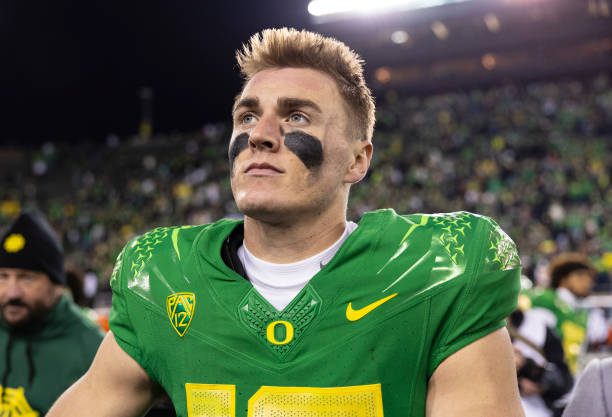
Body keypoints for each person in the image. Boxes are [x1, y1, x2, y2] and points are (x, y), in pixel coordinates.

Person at [48, 28, 524, 417]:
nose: (260, 135)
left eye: (296, 117)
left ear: (357, 161)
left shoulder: (438, 268)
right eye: (247, 117)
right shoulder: (162, 275)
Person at [0, 212, 104, 415]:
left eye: (26, 278)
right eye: (3, 276)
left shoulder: (94, 350)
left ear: (57, 285)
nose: (11, 292)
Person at [522, 252, 605, 374]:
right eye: (580, 276)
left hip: (568, 381)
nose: (587, 282)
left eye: (589, 277)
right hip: (543, 384)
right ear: (563, 279)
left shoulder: (582, 311)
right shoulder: (545, 301)